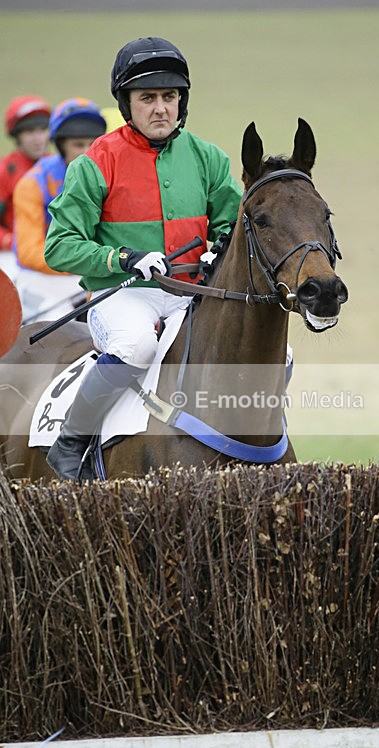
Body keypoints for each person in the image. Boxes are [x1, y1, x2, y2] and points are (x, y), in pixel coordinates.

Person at [44, 36, 242, 480]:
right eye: (147, 98)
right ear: (127, 104)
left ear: (181, 102)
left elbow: (232, 224)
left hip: (189, 293)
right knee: (137, 345)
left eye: (169, 97)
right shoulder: (95, 163)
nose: (160, 109)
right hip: (121, 295)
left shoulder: (209, 158)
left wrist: (219, 248)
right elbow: (58, 246)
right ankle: (72, 443)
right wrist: (123, 258)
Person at [13, 97, 107, 322]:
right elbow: (28, 253)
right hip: (42, 277)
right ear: (61, 145)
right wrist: (83, 263)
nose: (86, 152)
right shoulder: (32, 184)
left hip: (91, 271)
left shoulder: (110, 178)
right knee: (59, 324)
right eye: (77, 144)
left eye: (92, 144)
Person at [0, 95, 51, 282]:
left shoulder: (60, 166)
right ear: (16, 135)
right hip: (13, 255)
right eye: (29, 132)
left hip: (52, 253)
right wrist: (12, 241)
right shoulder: (4, 171)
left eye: (43, 130)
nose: (38, 139)